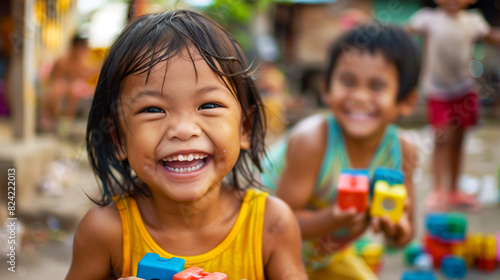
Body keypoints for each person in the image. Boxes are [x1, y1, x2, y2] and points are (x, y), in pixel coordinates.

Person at [65, 10, 306, 280]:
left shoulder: (271, 226)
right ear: (118, 138)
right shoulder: (105, 232)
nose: (183, 130)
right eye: (153, 109)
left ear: (244, 128)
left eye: (209, 105)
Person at [261, 23, 421, 279]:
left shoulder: (403, 151)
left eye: (376, 86)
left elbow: (405, 235)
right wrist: (333, 219)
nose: (359, 96)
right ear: (326, 87)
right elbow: (277, 225)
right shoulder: (312, 140)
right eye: (348, 82)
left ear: (405, 101)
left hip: (323, 257)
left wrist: (395, 228)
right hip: (267, 252)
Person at [407, 0, 500, 211]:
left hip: (465, 91)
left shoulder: (474, 21)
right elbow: (403, 31)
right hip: (438, 92)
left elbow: (492, 37)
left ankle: (454, 190)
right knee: (441, 138)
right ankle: (439, 190)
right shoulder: (428, 19)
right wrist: (367, 24)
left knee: (459, 141)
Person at [39, 34, 96, 131]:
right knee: (57, 90)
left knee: (74, 91)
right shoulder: (63, 61)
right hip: (58, 86)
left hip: (69, 88)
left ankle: (67, 122)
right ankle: (57, 120)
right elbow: (56, 81)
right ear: (76, 47)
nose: (83, 51)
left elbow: (85, 74)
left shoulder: (80, 62)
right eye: (81, 48)